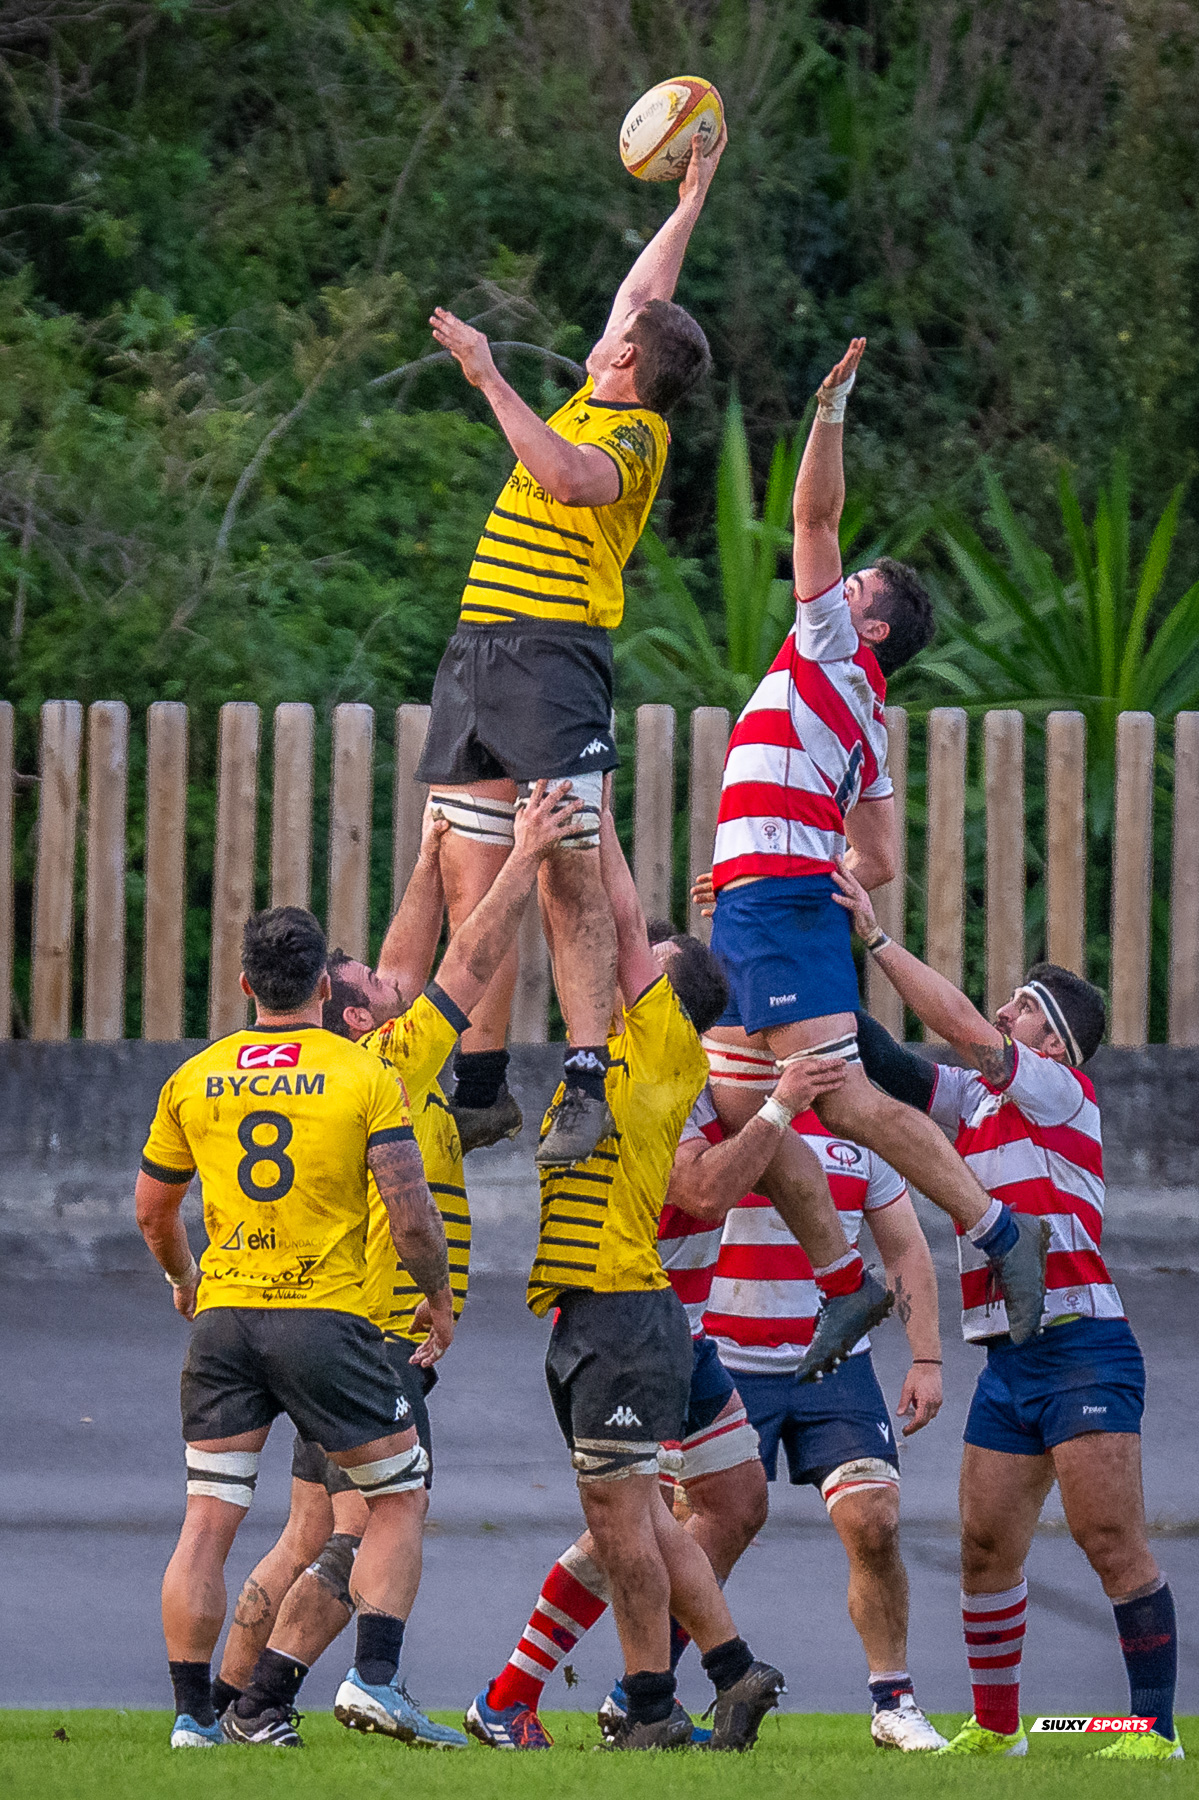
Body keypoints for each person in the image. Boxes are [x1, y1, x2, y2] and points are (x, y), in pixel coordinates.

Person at [210, 784, 581, 1744]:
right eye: (372, 983)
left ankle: (225, 1708)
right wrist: (523, 855)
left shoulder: (348, 1057)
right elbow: (465, 958)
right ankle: (345, 1684)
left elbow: (412, 956)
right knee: (376, 1517)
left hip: (320, 1324)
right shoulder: (395, 1063)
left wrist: (427, 858)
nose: (390, 976)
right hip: (378, 1333)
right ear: (363, 1017)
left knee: (310, 1529)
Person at [701, 338, 1047, 1342]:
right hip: (766, 893)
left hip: (772, 902)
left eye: (851, 588)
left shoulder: (830, 648)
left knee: (841, 1099)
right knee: (735, 1108)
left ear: (873, 629)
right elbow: (882, 858)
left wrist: (830, 410)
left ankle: (992, 1228)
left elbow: (811, 513)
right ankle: (845, 1277)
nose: (831, 586)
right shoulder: (864, 710)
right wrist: (822, 873)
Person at [420, 128, 727, 1168]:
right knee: (473, 863)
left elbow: (565, 480)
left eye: (615, 332)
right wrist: (686, 205)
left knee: (563, 867)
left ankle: (589, 1076)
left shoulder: (630, 435)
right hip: (479, 647)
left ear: (627, 358)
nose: (603, 329)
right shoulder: (602, 386)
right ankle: (478, 1085)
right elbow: (646, 285)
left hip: (551, 655)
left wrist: (487, 377)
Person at [833, 858, 1182, 1763]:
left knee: (1111, 1542)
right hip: (1009, 1361)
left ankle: (1152, 1731)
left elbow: (950, 1024)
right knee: (984, 1548)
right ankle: (998, 1736)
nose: (1000, 1014)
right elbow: (888, 1063)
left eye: (1023, 1007)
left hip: (1085, 1350)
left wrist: (875, 936)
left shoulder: (1061, 1092)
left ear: (1055, 1045)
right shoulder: (980, 1101)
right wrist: (815, 959)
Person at [467, 805, 784, 1752]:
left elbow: (612, 912)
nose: (620, 963)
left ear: (662, 994)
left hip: (618, 1312)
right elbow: (606, 932)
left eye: (648, 962)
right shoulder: (621, 1051)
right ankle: (733, 1672)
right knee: (646, 1512)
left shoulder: (654, 1047)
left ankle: (648, 1706)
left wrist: (588, 812)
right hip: (615, 1312)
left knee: (622, 1523)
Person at [469, 1007, 862, 1749]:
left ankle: (678, 1682)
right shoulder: (663, 1082)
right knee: (629, 1523)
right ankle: (562, 1696)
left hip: (680, 1335)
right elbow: (704, 1192)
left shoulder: (718, 1085)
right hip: (629, 1327)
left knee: (734, 1500)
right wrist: (781, 1106)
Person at [135, 907, 453, 1750]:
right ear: (321, 985)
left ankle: (192, 1719)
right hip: (324, 1320)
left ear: (244, 986)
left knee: (208, 1520)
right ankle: (374, 1678)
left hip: (225, 1318)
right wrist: (440, 1297)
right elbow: (409, 1211)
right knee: (397, 1494)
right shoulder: (359, 1074)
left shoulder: (196, 1075)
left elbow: (151, 1211)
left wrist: (184, 1277)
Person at [703, 1101, 946, 1750]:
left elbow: (901, 1245)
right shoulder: (718, 1101)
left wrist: (925, 1356)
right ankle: (652, 1698)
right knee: (702, 1536)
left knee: (874, 1520)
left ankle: (893, 1702)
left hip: (833, 1364)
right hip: (726, 1360)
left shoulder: (857, 1119)